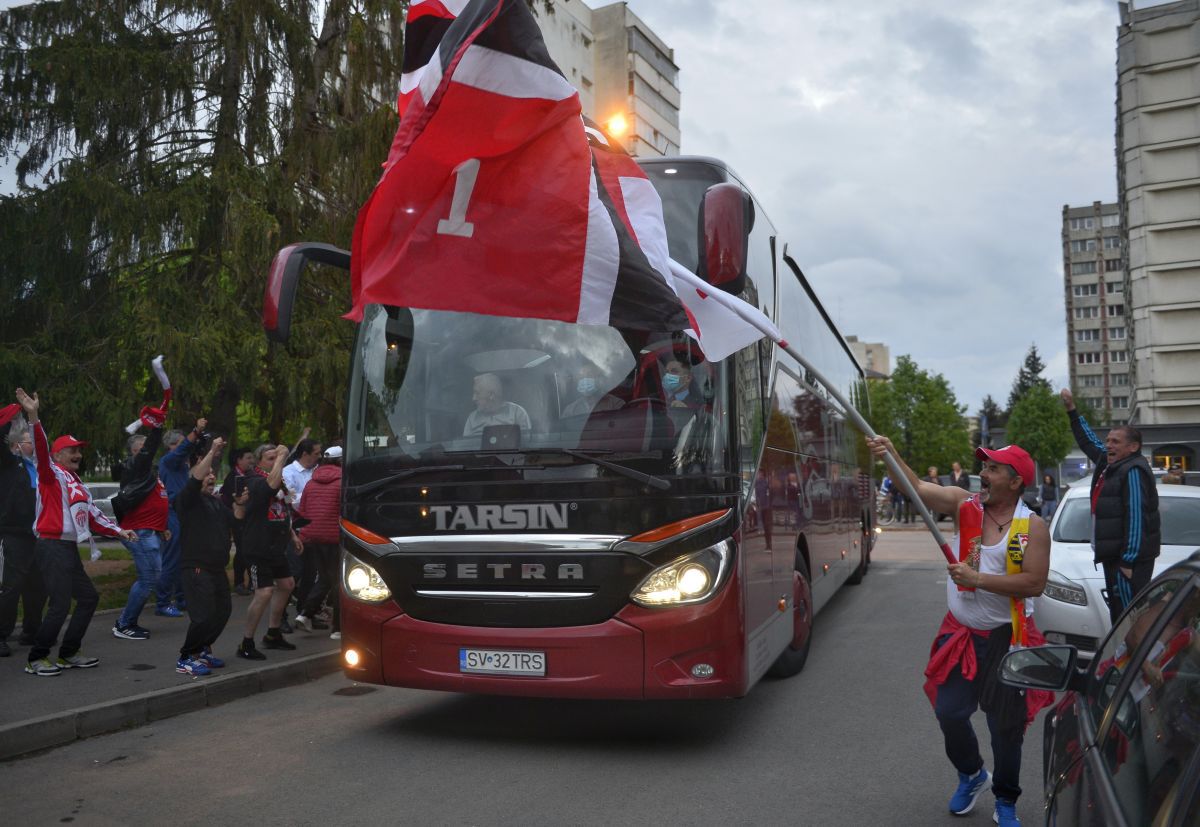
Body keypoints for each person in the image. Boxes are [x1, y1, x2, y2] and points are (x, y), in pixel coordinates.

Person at [867, 434, 1053, 827]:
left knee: (1006, 729)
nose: (982, 474)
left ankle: (1005, 800)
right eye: (984, 467)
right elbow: (914, 487)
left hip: (1008, 637)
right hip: (962, 633)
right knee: (949, 712)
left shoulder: (1031, 527)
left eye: (992, 469)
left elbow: (1034, 583)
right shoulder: (963, 505)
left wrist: (977, 578)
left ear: (1016, 481)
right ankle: (972, 774)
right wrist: (890, 454)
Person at [15, 389, 136, 676]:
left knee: (88, 598)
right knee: (59, 604)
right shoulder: (49, 472)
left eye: (80, 450)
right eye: (72, 450)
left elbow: (93, 515)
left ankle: (69, 652)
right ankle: (37, 657)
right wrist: (33, 415)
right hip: (50, 544)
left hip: (67, 547)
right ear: (58, 454)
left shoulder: (76, 481)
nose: (78, 454)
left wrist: (121, 531)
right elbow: (41, 449)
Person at [1061, 388, 1160, 623]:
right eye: (1108, 441)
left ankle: (1135, 660)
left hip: (1127, 562)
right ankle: (1122, 659)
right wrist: (1072, 411)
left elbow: (1136, 518)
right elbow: (1088, 441)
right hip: (1114, 556)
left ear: (1133, 447)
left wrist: (1128, 561)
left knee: (1130, 620)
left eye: (1115, 441)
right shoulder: (1110, 462)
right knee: (1119, 619)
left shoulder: (1133, 470)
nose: (1108, 445)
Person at [174, 436, 244, 676]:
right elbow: (194, 480)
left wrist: (240, 504)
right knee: (202, 616)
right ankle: (186, 657)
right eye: (207, 474)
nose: (211, 477)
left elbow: (237, 522)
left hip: (216, 568)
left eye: (214, 474)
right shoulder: (187, 501)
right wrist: (213, 451)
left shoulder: (215, 504)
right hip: (196, 567)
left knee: (222, 611)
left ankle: (203, 650)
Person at [237, 444, 301, 660]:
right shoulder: (254, 480)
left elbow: (283, 509)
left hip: (277, 546)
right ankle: (246, 642)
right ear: (260, 462)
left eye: (277, 457)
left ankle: (273, 633)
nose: (275, 461)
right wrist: (283, 456)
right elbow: (269, 486)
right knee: (264, 592)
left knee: (287, 584)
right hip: (258, 546)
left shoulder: (278, 481)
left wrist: (292, 535)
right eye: (270, 458)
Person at [111, 412, 168, 641]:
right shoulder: (135, 466)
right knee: (148, 579)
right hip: (139, 531)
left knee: (151, 577)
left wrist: (161, 526)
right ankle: (124, 624)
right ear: (135, 452)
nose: (148, 451)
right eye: (143, 448)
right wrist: (157, 429)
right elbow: (148, 451)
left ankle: (127, 622)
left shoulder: (149, 473)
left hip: (148, 530)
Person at [0, 411, 46, 657]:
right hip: (15, 534)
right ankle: (1, 634)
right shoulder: (8, 464)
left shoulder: (42, 468)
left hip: (40, 535)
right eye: (30, 441)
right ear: (17, 445)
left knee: (38, 586)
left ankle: (31, 630)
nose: (35, 445)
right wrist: (6, 419)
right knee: (12, 586)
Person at [157, 420, 208, 616]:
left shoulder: (180, 465)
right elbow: (183, 450)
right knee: (171, 559)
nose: (185, 446)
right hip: (172, 512)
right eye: (180, 443)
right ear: (171, 446)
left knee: (183, 558)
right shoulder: (169, 460)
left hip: (182, 512)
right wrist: (195, 432)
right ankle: (162, 603)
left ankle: (181, 598)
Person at [295, 446, 342, 638]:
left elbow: (303, 510)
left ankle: (305, 614)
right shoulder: (342, 481)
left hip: (313, 537)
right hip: (334, 537)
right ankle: (338, 628)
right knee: (338, 581)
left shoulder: (311, 483)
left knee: (324, 578)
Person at [219, 446, 255, 595]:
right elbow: (226, 499)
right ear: (239, 460)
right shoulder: (232, 477)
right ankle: (240, 582)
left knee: (249, 550)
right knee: (242, 550)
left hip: (249, 518)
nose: (251, 461)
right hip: (236, 520)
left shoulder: (251, 475)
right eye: (248, 458)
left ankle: (252, 582)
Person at [463, 373, 531, 437]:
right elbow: (465, 446)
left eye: (477, 393)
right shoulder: (472, 418)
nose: (474, 398)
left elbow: (526, 443)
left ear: (491, 395)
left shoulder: (517, 413)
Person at [282, 437, 321, 509]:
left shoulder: (320, 470)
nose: (320, 456)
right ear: (305, 454)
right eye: (316, 454)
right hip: (299, 517)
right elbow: (288, 499)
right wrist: (312, 495)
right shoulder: (288, 473)